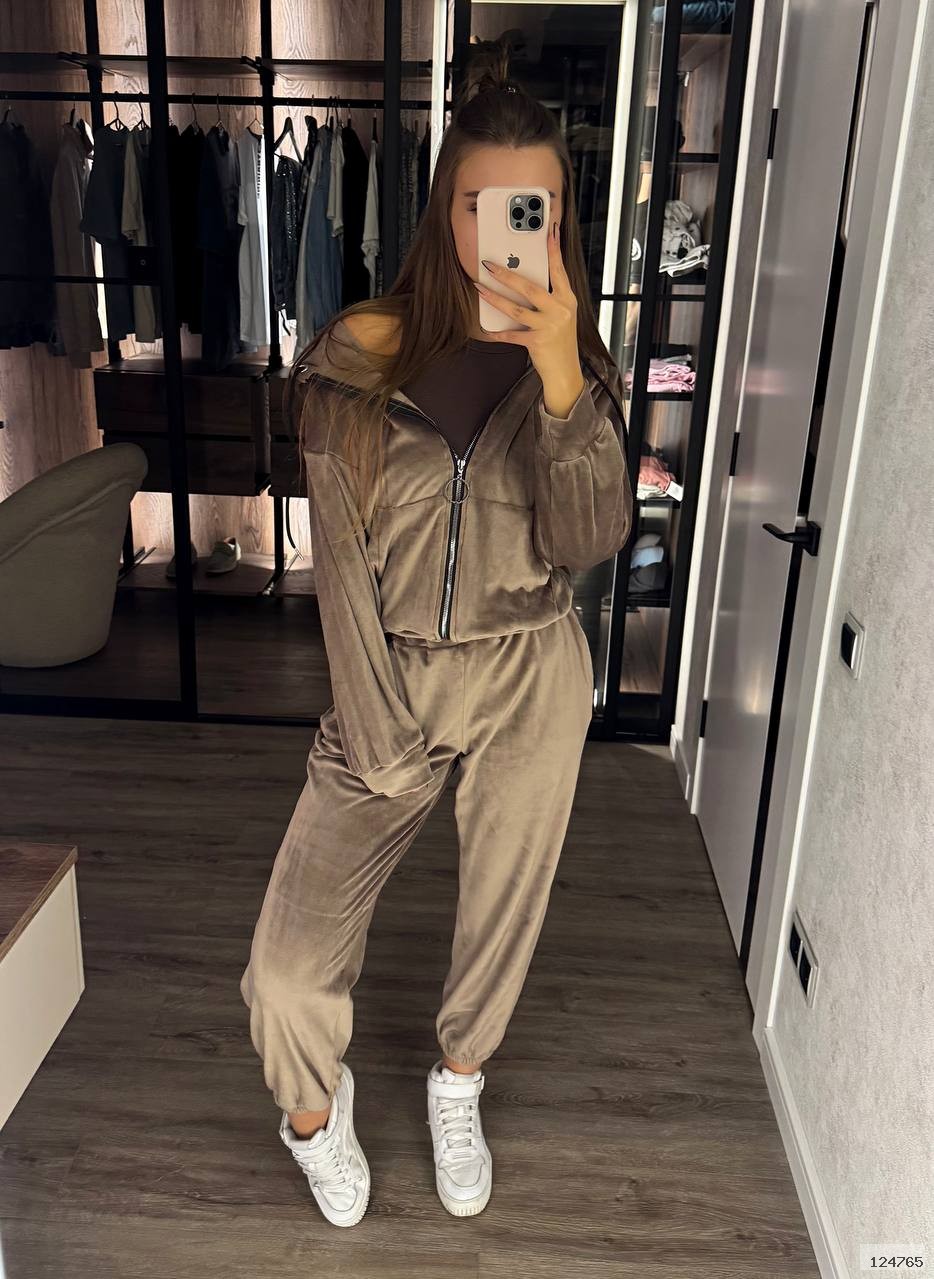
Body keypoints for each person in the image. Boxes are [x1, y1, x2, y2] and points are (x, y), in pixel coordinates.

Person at [239, 37, 634, 1228]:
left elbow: (589, 541)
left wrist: (561, 384)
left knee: (504, 908)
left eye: (530, 208)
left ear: (557, 219)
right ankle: (316, 1114)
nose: (501, 232)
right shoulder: (354, 359)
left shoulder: (576, 368)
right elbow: (338, 568)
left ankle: (458, 1078)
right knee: (284, 973)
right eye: (478, 205)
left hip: (529, 668)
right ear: (442, 211)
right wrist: (379, 735)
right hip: (389, 674)